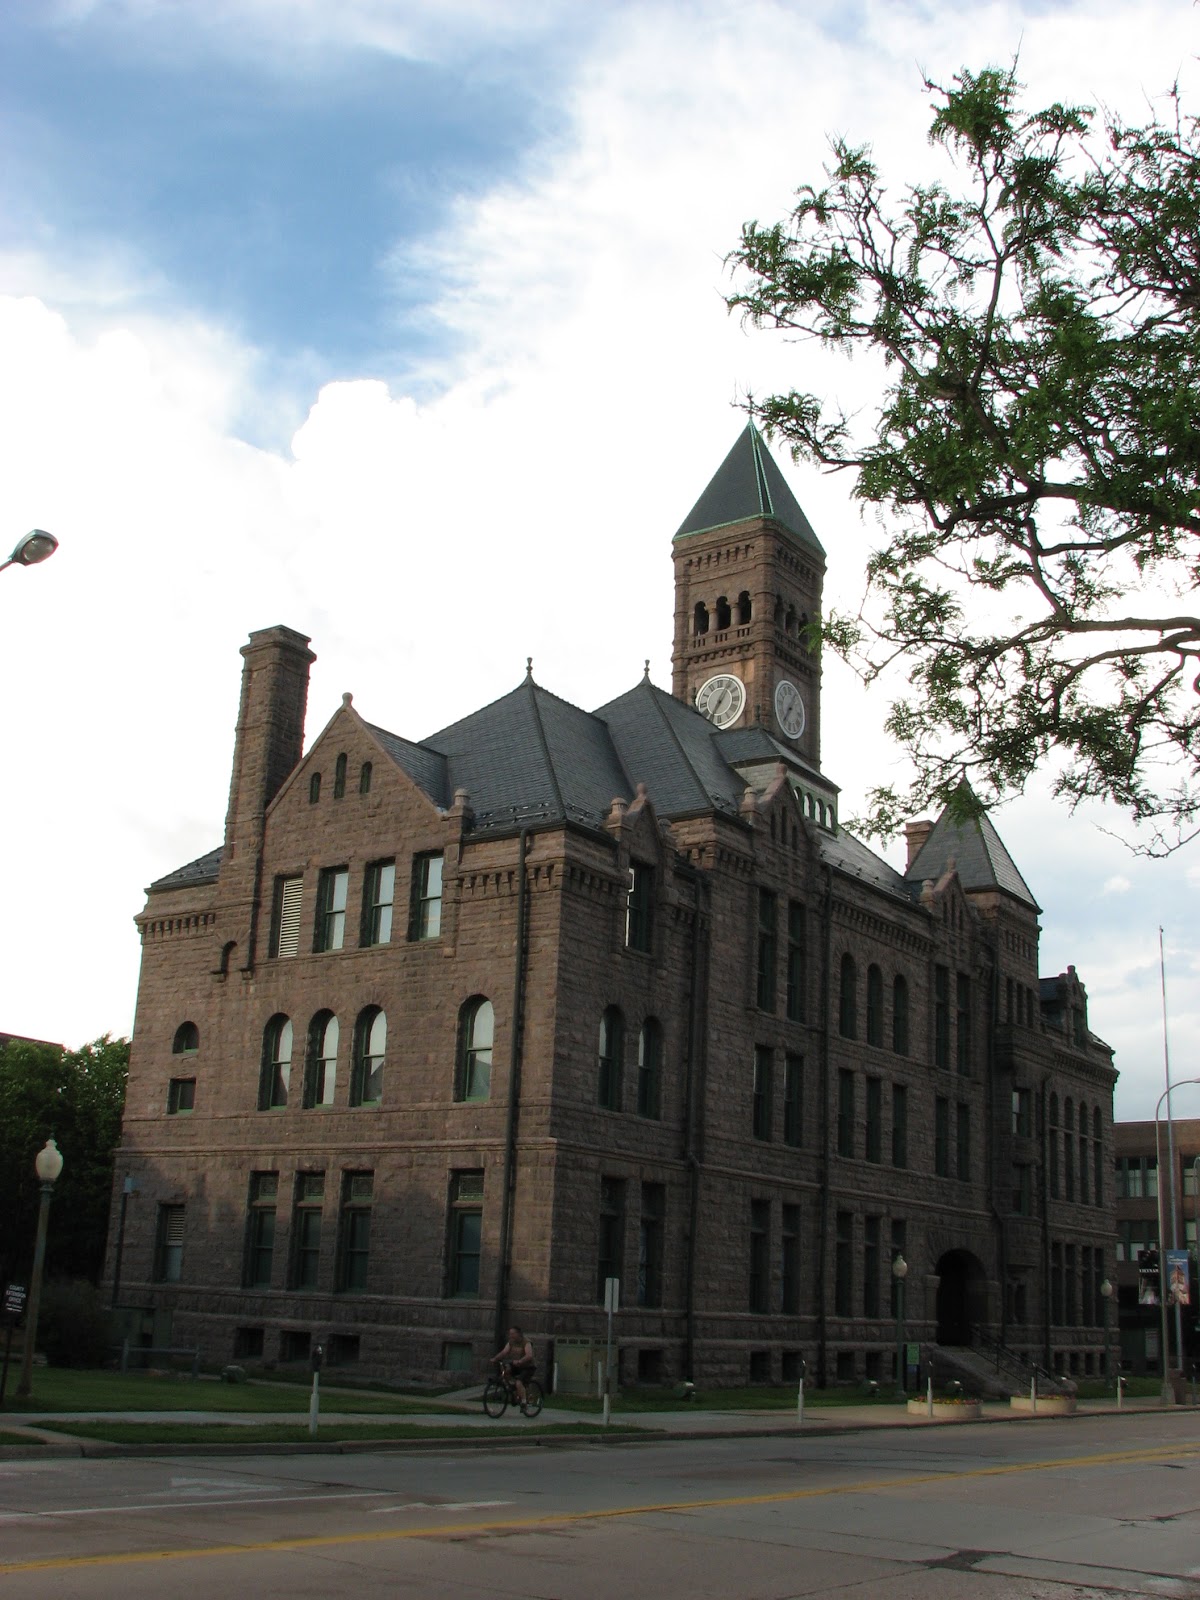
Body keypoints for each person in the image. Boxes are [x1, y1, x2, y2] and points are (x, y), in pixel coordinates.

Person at [492, 1326, 535, 1405]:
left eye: (512, 1334)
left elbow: (529, 1355)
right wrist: (495, 1359)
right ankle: (514, 1391)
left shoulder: (526, 1342)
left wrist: (520, 1361)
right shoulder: (511, 1342)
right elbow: (504, 1352)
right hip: (516, 1365)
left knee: (519, 1382)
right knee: (505, 1370)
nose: (510, 1335)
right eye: (510, 1334)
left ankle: (524, 1402)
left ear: (518, 1334)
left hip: (527, 1367)